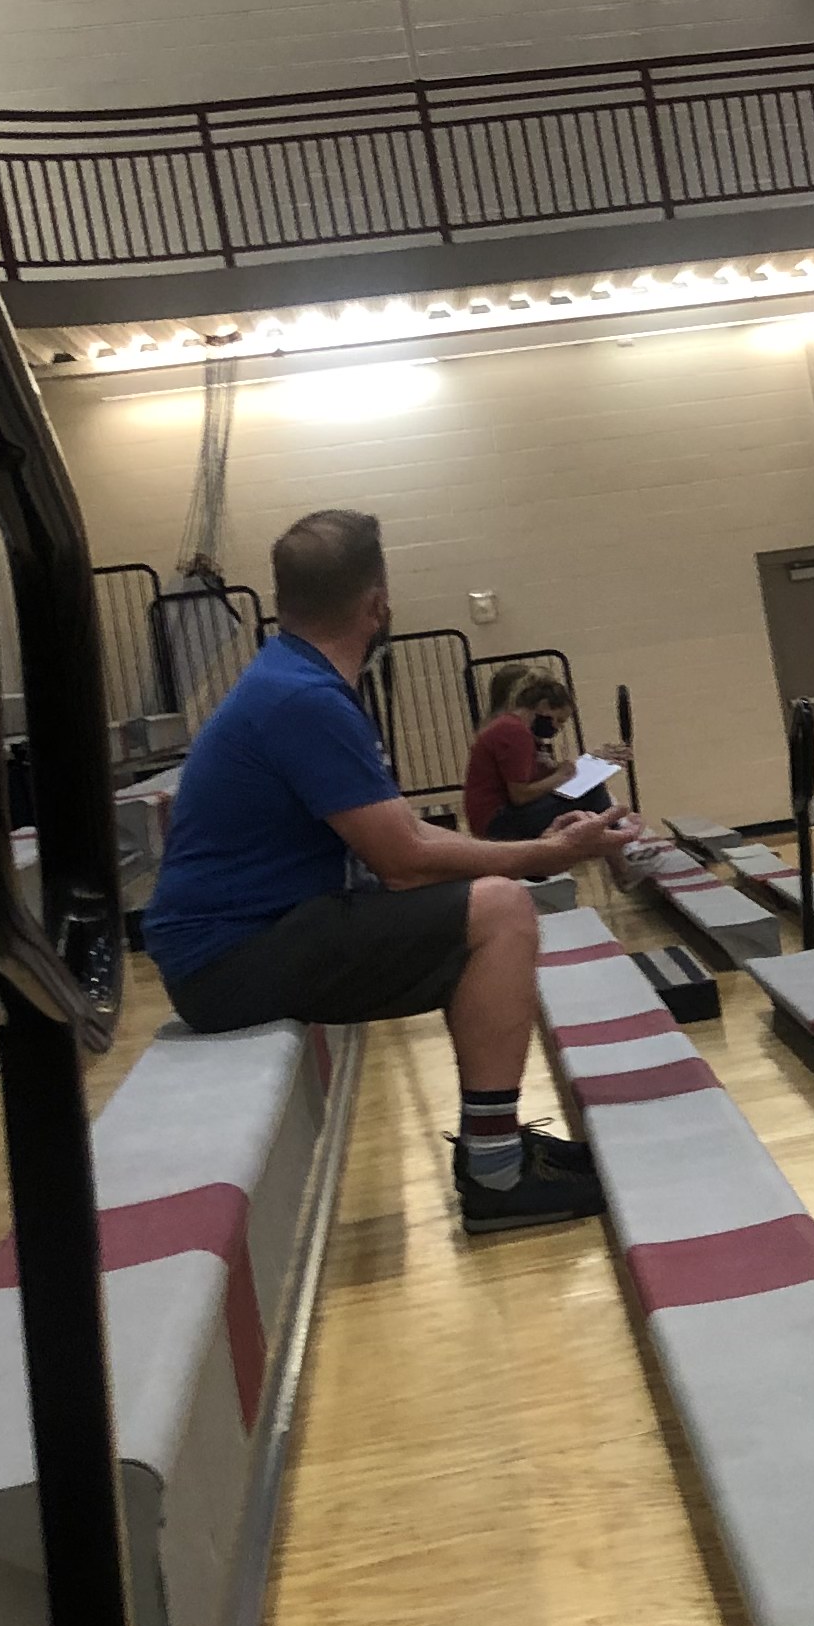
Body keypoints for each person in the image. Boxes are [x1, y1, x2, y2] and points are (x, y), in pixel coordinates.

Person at [138, 508, 627, 1233]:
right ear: (377, 605)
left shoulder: (291, 679)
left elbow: (402, 836)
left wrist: (534, 849)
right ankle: (495, 1172)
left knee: (487, 899)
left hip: (246, 940)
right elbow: (403, 862)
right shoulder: (303, 697)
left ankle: (496, 1147)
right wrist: (543, 856)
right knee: (500, 911)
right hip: (229, 959)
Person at [462, 670, 598, 840]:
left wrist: (554, 770)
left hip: (496, 814)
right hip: (496, 821)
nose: (557, 728)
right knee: (592, 793)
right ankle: (619, 842)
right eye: (558, 720)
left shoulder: (510, 726)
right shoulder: (514, 732)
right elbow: (520, 795)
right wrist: (560, 777)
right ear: (543, 707)